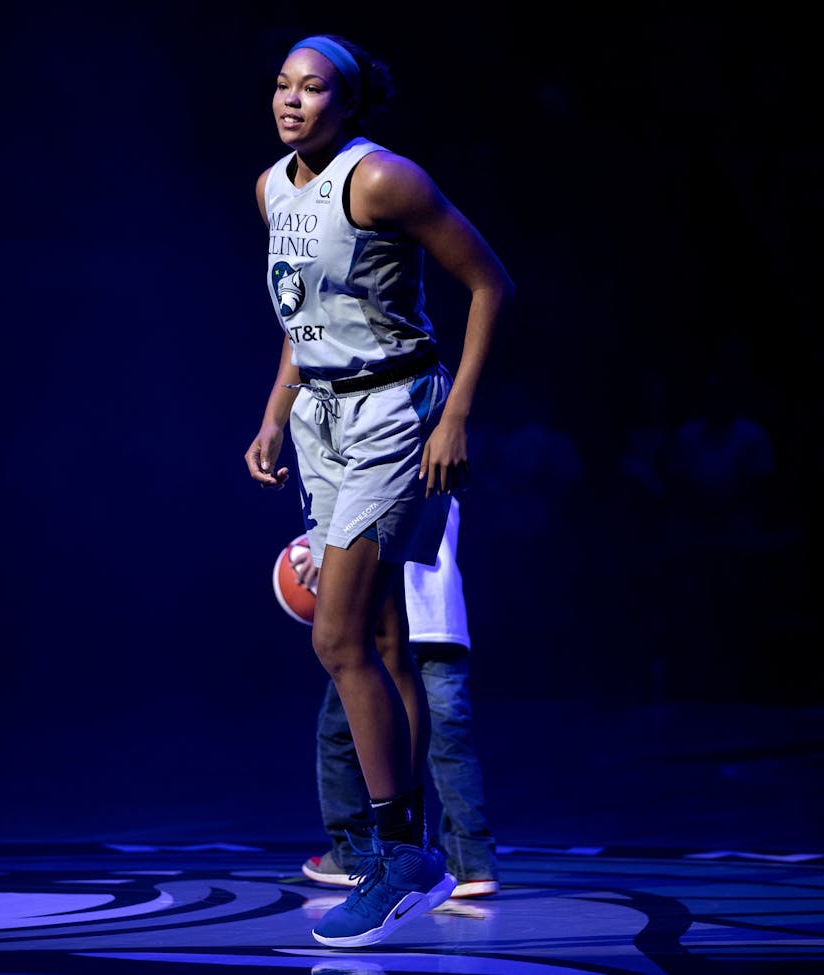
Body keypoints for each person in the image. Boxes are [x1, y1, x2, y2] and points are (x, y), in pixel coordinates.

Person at [243, 32, 513, 948]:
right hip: (321, 418)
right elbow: (299, 314)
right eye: (282, 85)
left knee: (337, 638)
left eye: (312, 88)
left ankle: (400, 852)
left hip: (393, 415)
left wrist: (455, 416)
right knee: (388, 641)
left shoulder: (383, 179)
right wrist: (276, 410)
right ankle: (415, 848)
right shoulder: (273, 187)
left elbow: (489, 282)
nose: (291, 101)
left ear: (349, 104)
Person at [287, 495, 500, 898]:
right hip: (443, 623)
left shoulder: (379, 478)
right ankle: (471, 859)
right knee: (451, 746)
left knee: (339, 738)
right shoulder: (439, 471)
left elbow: (367, 540)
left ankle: (350, 849)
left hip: (387, 634)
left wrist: (320, 557)